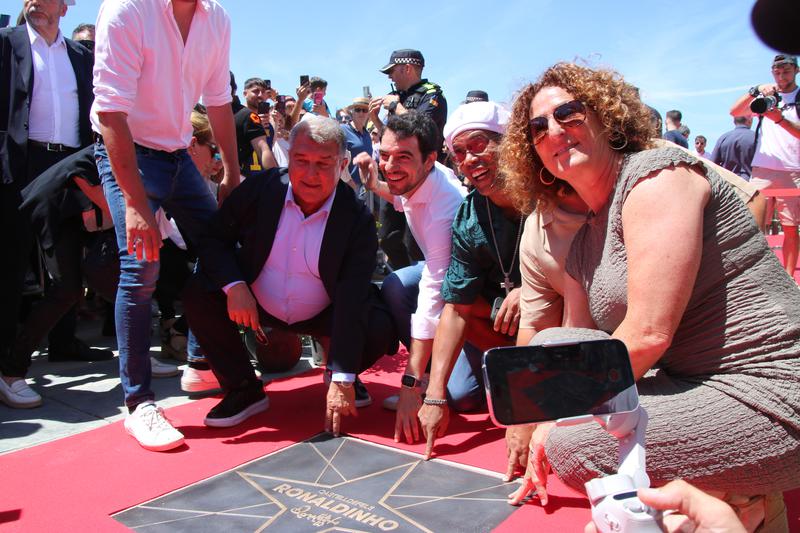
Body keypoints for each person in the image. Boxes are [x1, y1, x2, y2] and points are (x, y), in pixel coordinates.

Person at [500, 63, 799, 531]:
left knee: (572, 447)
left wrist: (553, 423)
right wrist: (541, 407)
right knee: (547, 349)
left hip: (773, 389)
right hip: (692, 379)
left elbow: (647, 334)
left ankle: (743, 501)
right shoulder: (582, 244)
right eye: (538, 128)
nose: (554, 131)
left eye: (569, 114)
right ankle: (732, 495)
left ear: (605, 118)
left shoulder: (657, 176)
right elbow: (579, 341)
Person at [183, 116, 398, 434]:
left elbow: (352, 298)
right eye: (301, 160)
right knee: (198, 292)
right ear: (289, 155)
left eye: (324, 163)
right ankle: (243, 388)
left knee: (379, 324)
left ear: (341, 164)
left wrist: (343, 375)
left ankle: (339, 370)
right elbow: (215, 239)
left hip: (324, 313)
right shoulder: (261, 188)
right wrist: (235, 286)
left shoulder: (357, 218)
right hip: (256, 304)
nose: (311, 174)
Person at [92, 0, 239, 451]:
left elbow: (217, 101)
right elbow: (111, 111)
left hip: (178, 157)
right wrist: (135, 203)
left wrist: (231, 171)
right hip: (128, 152)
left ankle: (202, 363)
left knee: (221, 256)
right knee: (141, 271)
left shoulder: (216, 19)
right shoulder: (126, 10)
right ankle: (139, 405)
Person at [414, 101, 527, 461]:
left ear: (510, 143)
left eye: (479, 145)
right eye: (460, 153)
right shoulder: (469, 214)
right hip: (499, 323)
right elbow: (457, 306)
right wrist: (433, 397)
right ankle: (500, 377)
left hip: (558, 320)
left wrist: (535, 290)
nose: (469, 160)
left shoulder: (550, 196)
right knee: (457, 395)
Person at [0, 0, 96, 408]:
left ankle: (61, 345)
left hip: (69, 167)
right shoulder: (7, 43)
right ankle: (6, 366)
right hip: (19, 168)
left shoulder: (81, 56)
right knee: (9, 267)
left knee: (69, 274)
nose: (36, 1)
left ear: (66, 5)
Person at [356, 112, 466, 444]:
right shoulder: (418, 177)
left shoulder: (444, 209)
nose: (390, 166)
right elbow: (403, 198)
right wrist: (375, 185)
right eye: (384, 156)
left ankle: (438, 372)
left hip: (469, 294)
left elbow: (435, 292)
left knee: (460, 395)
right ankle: (435, 367)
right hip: (441, 273)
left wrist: (410, 383)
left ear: (430, 159)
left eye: (403, 157)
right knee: (396, 283)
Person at [369, 49, 447, 271]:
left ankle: (420, 284)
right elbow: (393, 139)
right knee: (388, 237)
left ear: (407, 68)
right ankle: (403, 281)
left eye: (392, 71)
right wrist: (376, 120)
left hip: (420, 179)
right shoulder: (399, 97)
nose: (390, 77)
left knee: (415, 242)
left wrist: (395, 107)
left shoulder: (431, 95)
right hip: (395, 177)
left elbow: (423, 131)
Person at [731, 54, 800, 276]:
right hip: (762, 168)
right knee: (753, 225)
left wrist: (780, 119)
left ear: (796, 70)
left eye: (786, 71)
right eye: (777, 72)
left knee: (790, 227)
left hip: (793, 168)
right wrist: (756, 90)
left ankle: (789, 278)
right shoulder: (766, 95)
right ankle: (758, 276)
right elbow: (735, 112)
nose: (781, 76)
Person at [234, 77, 278, 178]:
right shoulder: (238, 116)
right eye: (255, 91)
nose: (260, 95)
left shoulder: (268, 123)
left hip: (263, 179)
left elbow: (270, 149)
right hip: (243, 178)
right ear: (245, 93)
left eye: (263, 92)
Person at [341, 97, 373, 194]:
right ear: (352, 112)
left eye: (364, 110)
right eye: (357, 110)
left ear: (368, 114)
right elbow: (338, 158)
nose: (361, 113)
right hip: (347, 186)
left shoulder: (367, 134)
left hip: (364, 187)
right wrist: (348, 181)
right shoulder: (343, 130)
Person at [711, 116, 757, 180]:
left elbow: (712, 164)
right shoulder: (757, 138)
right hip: (749, 185)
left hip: (727, 183)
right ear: (750, 120)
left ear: (734, 121)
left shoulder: (723, 138)